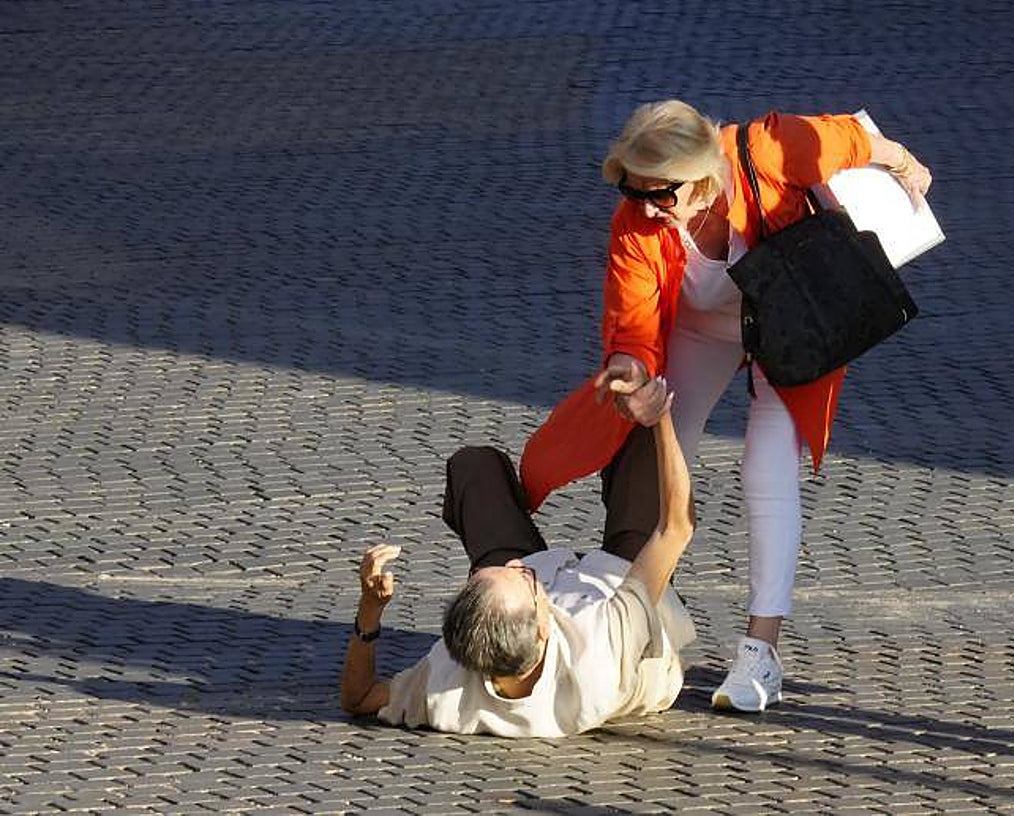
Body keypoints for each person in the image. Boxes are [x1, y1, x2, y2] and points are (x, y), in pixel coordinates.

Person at [520, 100, 932, 712]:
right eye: (635, 193)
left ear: (703, 176)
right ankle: (645, 617)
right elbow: (630, 321)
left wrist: (904, 162)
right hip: (699, 331)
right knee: (657, 460)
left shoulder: (765, 150)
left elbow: (845, 138)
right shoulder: (636, 222)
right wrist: (630, 372)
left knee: (766, 469)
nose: (648, 208)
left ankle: (760, 651)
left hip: (793, 321)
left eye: (662, 194)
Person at [339, 378, 697, 737]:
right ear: (544, 626)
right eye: (527, 579)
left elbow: (359, 698)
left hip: (523, 613)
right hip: (621, 582)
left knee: (475, 468)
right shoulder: (604, 649)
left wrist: (370, 609)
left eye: (485, 578)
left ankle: (527, 490)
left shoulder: (449, 685)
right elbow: (675, 528)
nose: (515, 566)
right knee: (643, 444)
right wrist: (660, 418)